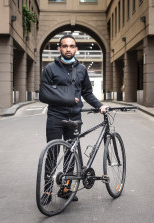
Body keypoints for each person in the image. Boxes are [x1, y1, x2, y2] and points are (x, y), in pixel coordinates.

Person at [39, 34, 107, 205]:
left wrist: (99, 105)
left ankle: (65, 188)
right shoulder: (50, 69)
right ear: (59, 48)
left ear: (76, 48)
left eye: (71, 46)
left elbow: (87, 93)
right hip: (55, 116)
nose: (68, 49)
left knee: (70, 154)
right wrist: (67, 99)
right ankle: (47, 190)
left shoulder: (82, 69)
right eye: (64, 46)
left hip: (75, 117)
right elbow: (44, 94)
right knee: (52, 153)